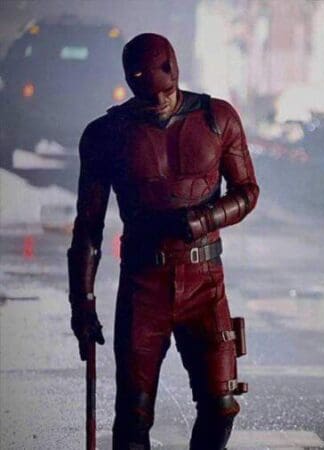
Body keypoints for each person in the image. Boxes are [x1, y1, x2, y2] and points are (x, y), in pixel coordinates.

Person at [67, 33, 259, 449]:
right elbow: (88, 227)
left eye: (164, 93)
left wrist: (205, 218)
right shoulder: (106, 134)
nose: (157, 102)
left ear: (174, 71)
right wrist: (81, 302)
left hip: (206, 284)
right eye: (146, 94)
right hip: (143, 287)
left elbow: (247, 192)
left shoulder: (217, 118)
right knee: (134, 415)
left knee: (221, 405)